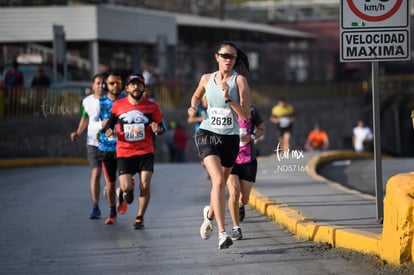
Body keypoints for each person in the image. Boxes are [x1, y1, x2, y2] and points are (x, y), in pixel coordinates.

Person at [188, 40, 251, 249]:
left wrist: (228, 100)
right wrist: (193, 107)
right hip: (207, 133)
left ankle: (209, 214)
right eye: (224, 55)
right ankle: (222, 234)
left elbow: (246, 115)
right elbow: (196, 96)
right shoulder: (206, 78)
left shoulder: (239, 81)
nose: (228, 59)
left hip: (230, 137)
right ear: (217, 57)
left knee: (222, 183)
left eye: (232, 56)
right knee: (217, 181)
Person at [104, 73, 164, 230]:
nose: (136, 87)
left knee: (145, 184)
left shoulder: (152, 106)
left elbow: (161, 127)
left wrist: (158, 129)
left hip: (146, 151)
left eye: (139, 84)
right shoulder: (118, 105)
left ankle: (140, 217)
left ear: (144, 88)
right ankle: (125, 192)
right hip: (125, 152)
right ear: (127, 88)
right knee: (126, 191)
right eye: (133, 84)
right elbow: (109, 124)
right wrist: (108, 130)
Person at [227, 105, 265, 241]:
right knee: (234, 192)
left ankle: (241, 205)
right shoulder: (225, 108)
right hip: (230, 159)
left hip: (248, 159)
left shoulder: (252, 110)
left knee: (244, 198)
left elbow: (262, 128)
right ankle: (236, 228)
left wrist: (251, 136)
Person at [70, 74, 104, 219]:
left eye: (103, 83)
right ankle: (95, 206)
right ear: (92, 85)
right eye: (98, 83)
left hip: (110, 142)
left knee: (110, 178)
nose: (100, 86)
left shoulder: (112, 100)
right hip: (93, 143)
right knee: (95, 174)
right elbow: (85, 118)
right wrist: (78, 132)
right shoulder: (87, 101)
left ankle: (113, 204)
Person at [97, 71, 125, 225]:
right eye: (112, 83)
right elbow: (92, 122)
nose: (115, 86)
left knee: (126, 183)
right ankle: (112, 211)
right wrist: (103, 125)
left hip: (125, 148)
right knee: (110, 183)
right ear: (105, 85)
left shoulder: (127, 101)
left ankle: (122, 193)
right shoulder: (100, 102)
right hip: (106, 148)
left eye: (118, 83)